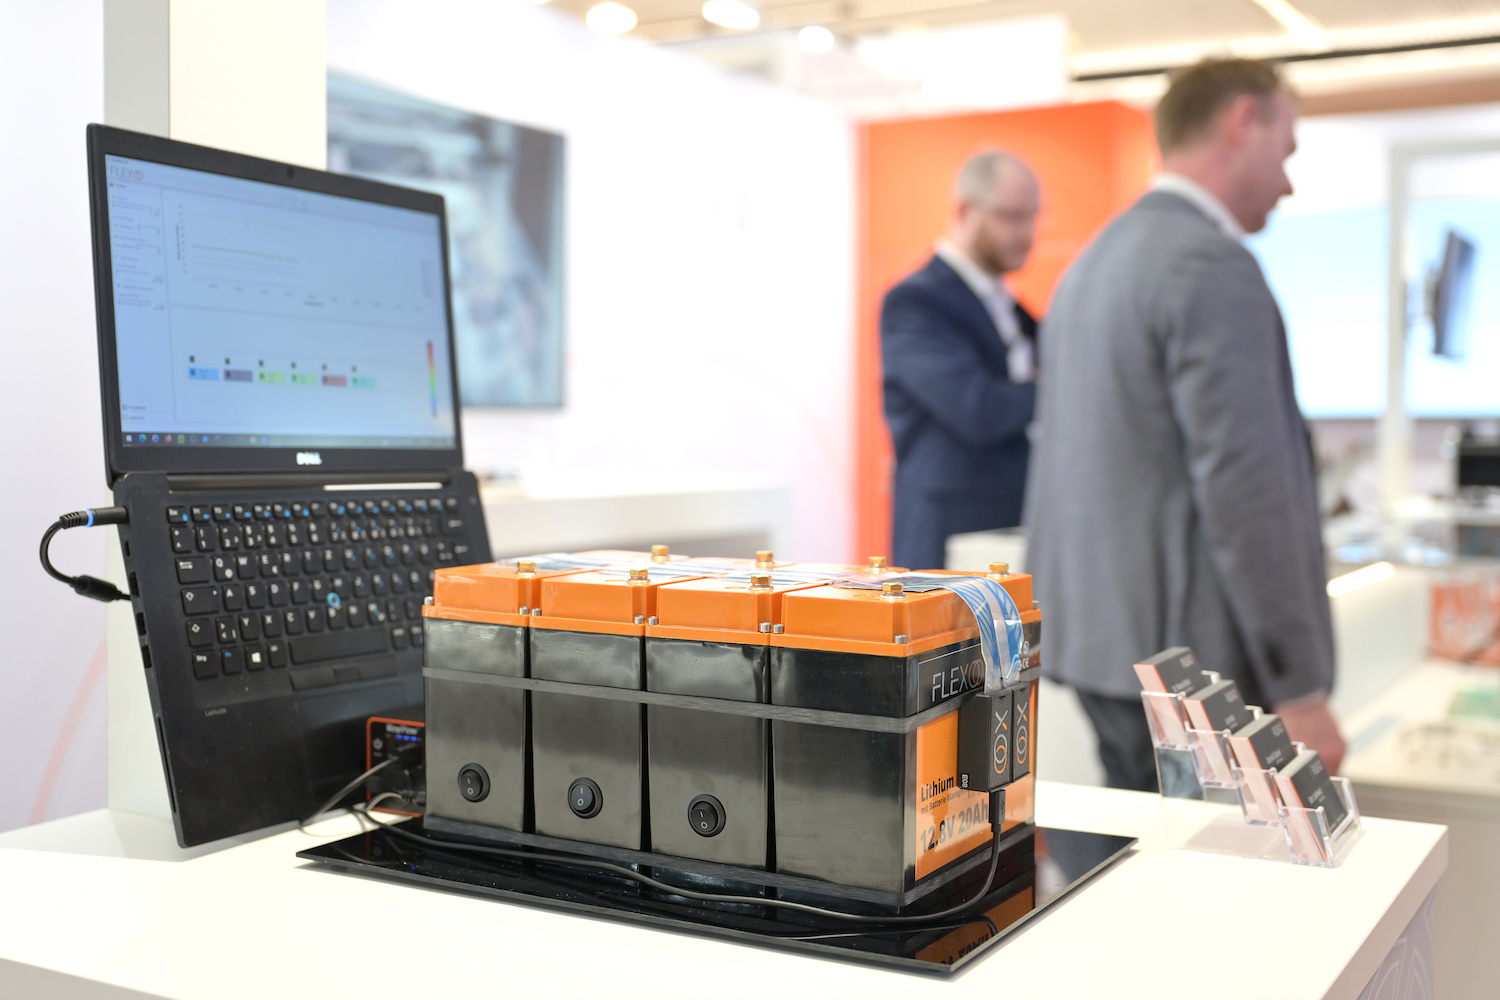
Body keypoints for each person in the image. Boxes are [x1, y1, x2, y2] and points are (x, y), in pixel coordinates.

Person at [1024, 58, 1346, 791]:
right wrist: (1299, 686)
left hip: (1100, 650)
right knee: (1213, 862)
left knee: (1140, 854)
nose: (1288, 183)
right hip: (1192, 673)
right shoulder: (1209, 265)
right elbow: (1248, 488)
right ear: (1243, 121)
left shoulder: (1091, 265)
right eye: (1286, 152)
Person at [880, 150, 1041, 571]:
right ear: (965, 211)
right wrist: (1055, 389)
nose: (1027, 233)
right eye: (1011, 217)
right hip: (948, 540)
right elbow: (978, 408)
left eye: (1033, 217)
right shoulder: (914, 303)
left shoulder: (1014, 309)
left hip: (1009, 533)